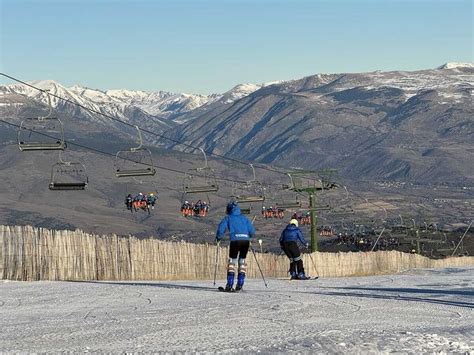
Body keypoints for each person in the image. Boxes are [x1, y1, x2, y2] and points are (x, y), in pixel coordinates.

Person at [215, 201, 256, 292]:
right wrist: (249, 236)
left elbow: (221, 229)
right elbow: (252, 231)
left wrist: (218, 238)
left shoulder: (228, 218)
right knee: (242, 261)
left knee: (232, 261)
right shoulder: (244, 218)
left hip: (235, 241)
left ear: (228, 210)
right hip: (245, 241)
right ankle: (240, 284)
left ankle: (229, 284)